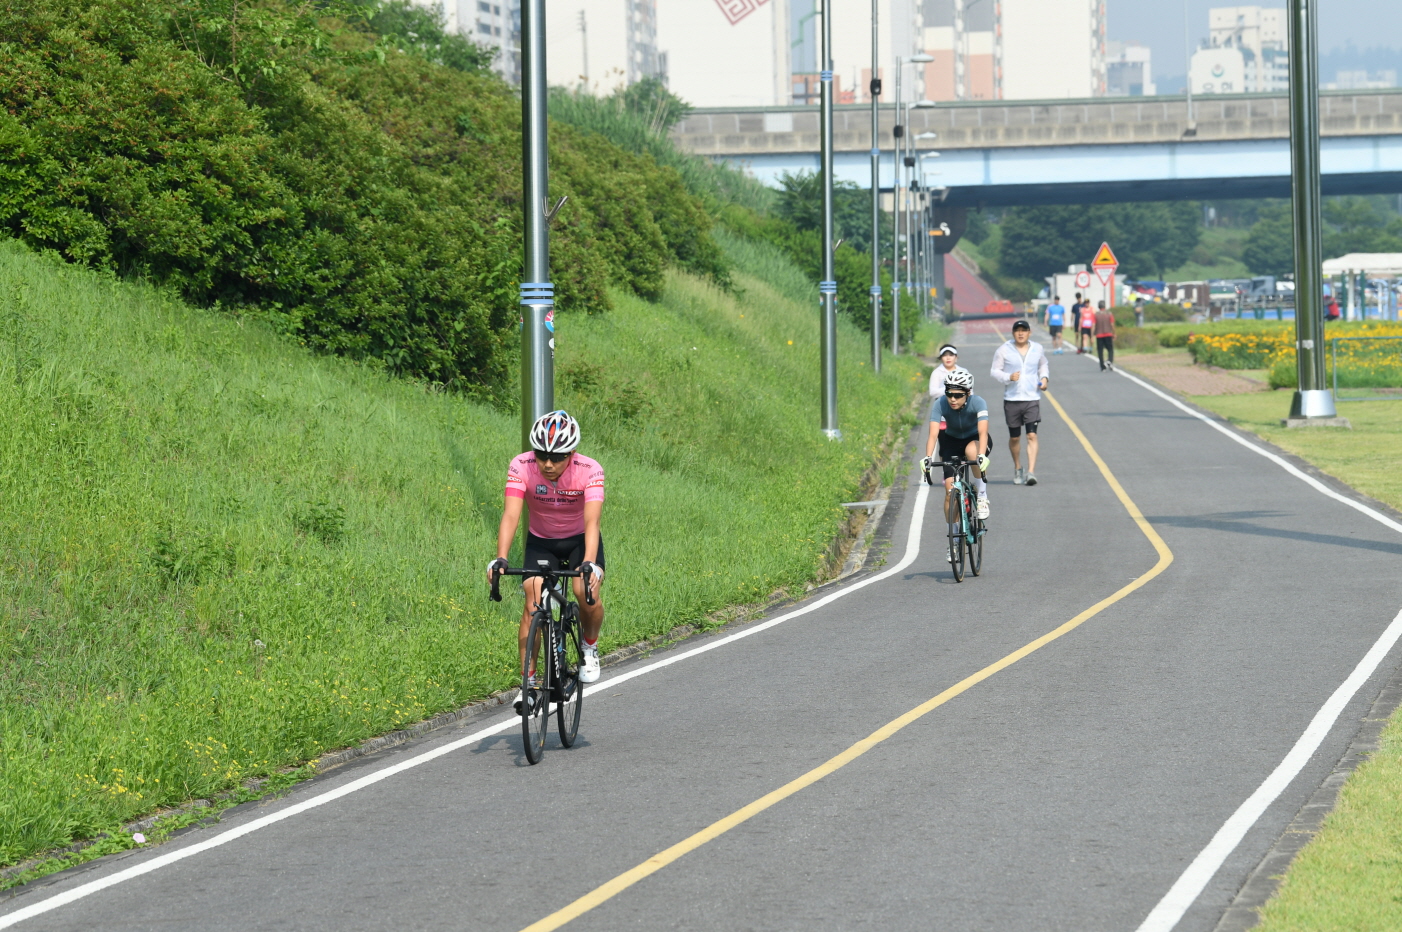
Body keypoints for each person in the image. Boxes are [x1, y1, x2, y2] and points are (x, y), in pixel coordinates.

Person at [487, 411, 607, 709]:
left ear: (572, 453)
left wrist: (589, 563)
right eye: (542, 456)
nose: (549, 464)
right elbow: (511, 514)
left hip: (580, 542)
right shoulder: (521, 465)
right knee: (532, 601)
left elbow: (592, 522)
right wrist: (501, 557)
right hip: (541, 542)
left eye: (557, 457)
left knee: (584, 592)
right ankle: (527, 684)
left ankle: (589, 647)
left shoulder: (590, 470)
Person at [922, 368, 990, 552]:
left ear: (968, 394)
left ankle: (982, 495)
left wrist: (981, 455)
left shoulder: (978, 402)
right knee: (949, 490)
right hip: (951, 441)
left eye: (958, 395)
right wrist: (927, 458)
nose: (952, 399)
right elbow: (933, 434)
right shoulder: (940, 404)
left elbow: (983, 432)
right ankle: (953, 539)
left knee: (971, 452)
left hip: (974, 439)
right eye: (949, 393)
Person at [990, 319, 1049, 486]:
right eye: (1018, 330)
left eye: (1024, 330)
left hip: (1032, 398)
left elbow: (1043, 365)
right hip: (1012, 399)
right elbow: (994, 371)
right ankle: (1018, 467)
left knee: (1031, 435)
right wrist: (1008, 377)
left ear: (1029, 332)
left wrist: (1044, 379)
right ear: (1013, 333)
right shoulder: (1004, 350)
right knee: (1015, 438)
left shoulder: (1037, 348)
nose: (1021, 333)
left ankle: (1031, 472)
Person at [1093, 300, 1117, 371]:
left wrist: (1093, 334)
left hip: (1099, 335)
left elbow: (1094, 325)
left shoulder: (1096, 315)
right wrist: (1114, 333)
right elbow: (1112, 324)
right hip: (1108, 334)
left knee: (1100, 351)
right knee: (1110, 349)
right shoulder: (1109, 314)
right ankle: (1109, 361)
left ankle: (1102, 366)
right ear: (1105, 306)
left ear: (1098, 306)